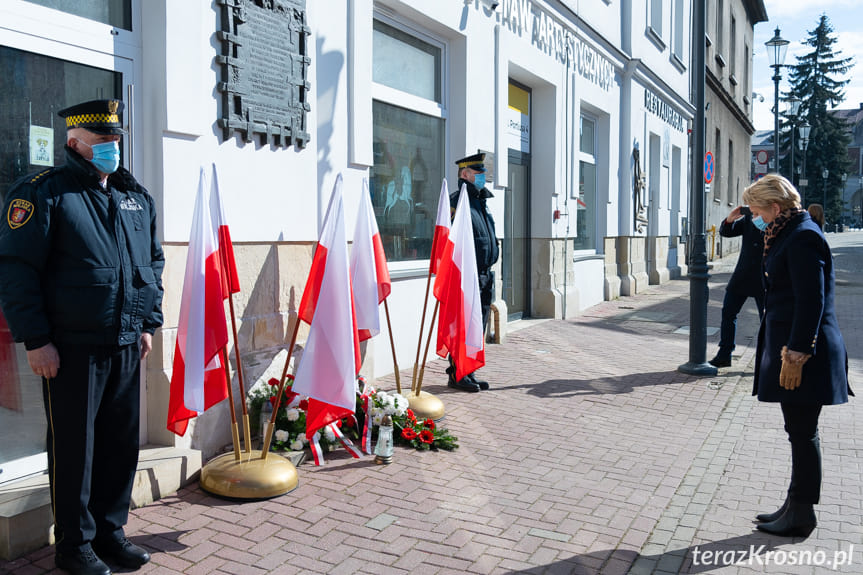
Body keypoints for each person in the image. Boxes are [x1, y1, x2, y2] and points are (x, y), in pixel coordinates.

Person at [0, 100, 163, 575]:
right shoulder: (43, 195)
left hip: (126, 342)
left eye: (116, 140)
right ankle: (74, 545)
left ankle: (111, 534)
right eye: (103, 142)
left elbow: (151, 264)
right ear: (74, 143)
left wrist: (149, 323)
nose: (113, 148)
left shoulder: (135, 197)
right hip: (70, 349)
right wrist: (35, 340)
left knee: (119, 445)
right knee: (76, 449)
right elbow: (17, 272)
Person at [742, 174, 851, 537]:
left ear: (775, 207)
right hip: (795, 348)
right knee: (798, 431)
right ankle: (794, 503)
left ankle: (802, 512)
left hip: (804, 355)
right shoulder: (789, 229)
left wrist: (797, 353)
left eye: (757, 210)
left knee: (803, 432)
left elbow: (811, 299)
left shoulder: (803, 235)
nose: (755, 218)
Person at [446, 153, 499, 392]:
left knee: (478, 325)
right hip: (468, 277)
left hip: (486, 275)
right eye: (478, 174)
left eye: (483, 174)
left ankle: (469, 370)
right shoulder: (458, 202)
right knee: (464, 325)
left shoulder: (481, 202)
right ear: (465, 175)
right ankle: (457, 373)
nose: (483, 178)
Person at [709, 205, 765, 368]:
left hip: (765, 277)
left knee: (767, 320)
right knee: (728, 312)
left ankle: (766, 359)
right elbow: (727, 232)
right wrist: (730, 219)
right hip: (743, 275)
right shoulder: (749, 218)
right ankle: (725, 354)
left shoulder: (774, 218)